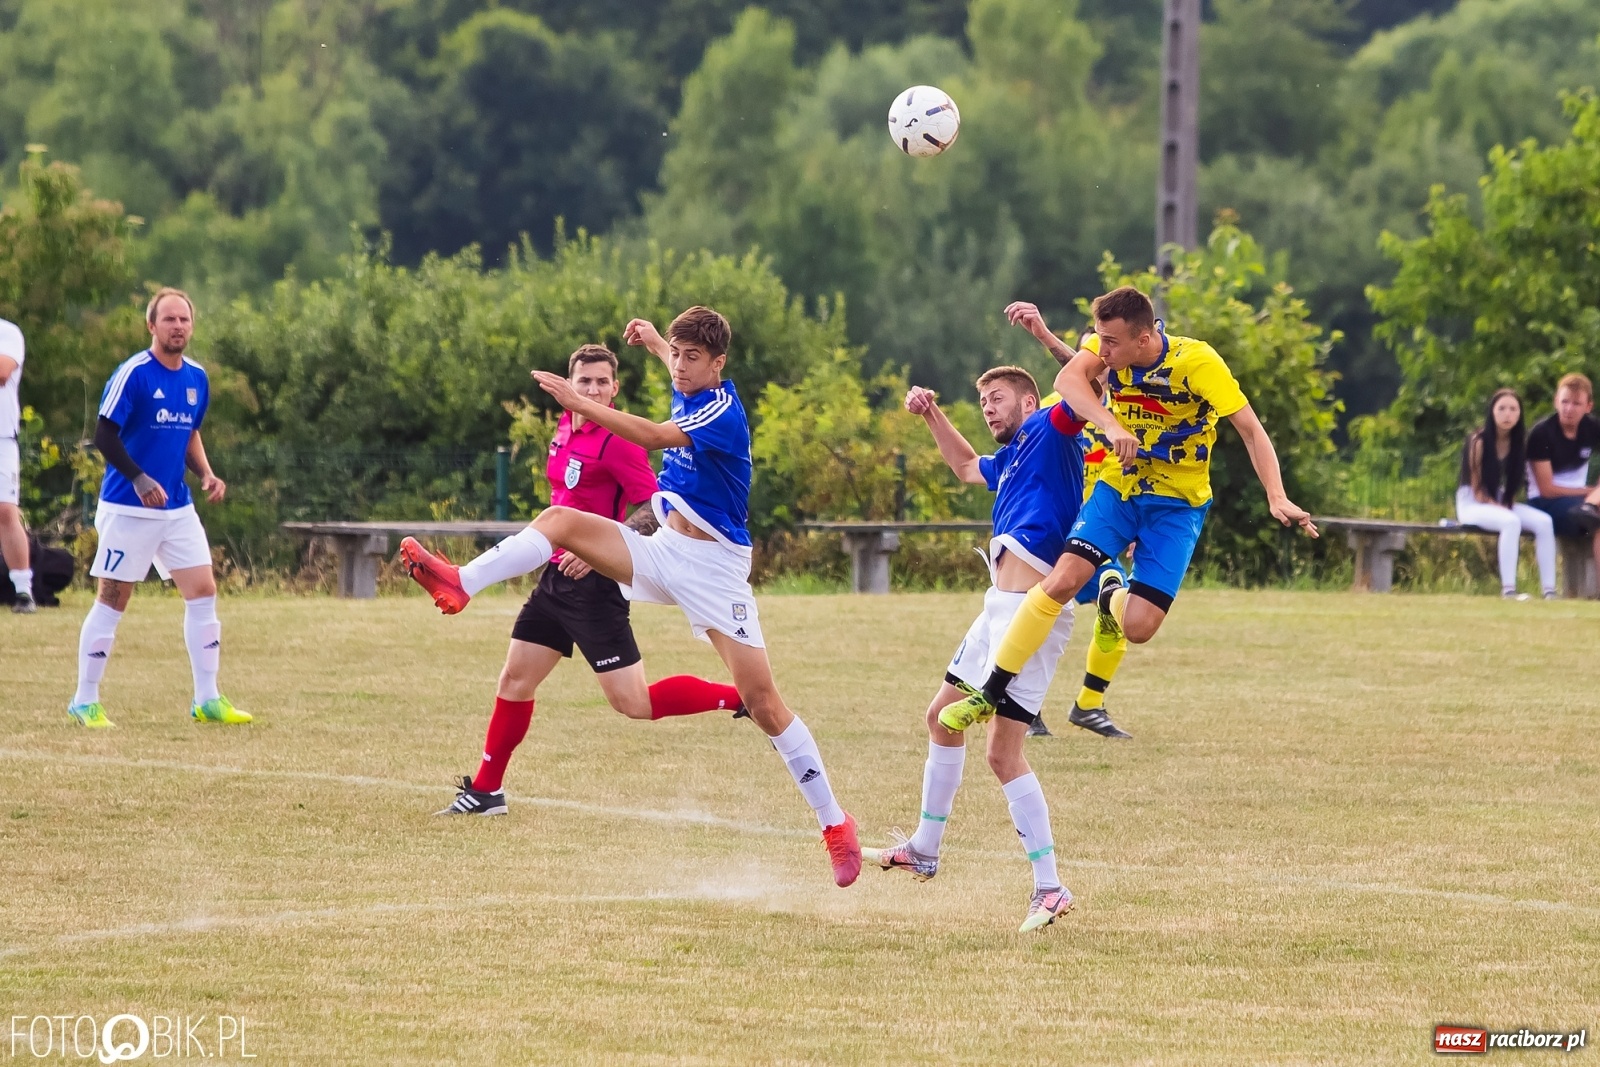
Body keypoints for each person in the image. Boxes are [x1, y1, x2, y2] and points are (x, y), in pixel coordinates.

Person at [399, 307, 862, 886]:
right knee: (559, 519)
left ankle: (835, 823)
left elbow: (653, 436)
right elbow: (673, 363)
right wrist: (650, 341)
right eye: (677, 354)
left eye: (694, 358)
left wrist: (583, 402)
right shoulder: (685, 375)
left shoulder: (720, 407)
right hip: (663, 547)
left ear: (718, 363)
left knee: (764, 702)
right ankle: (460, 583)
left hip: (714, 569)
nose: (681, 367)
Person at [941, 286, 1318, 730]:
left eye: (1111, 341)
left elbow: (1251, 430)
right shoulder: (1105, 350)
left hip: (1177, 506)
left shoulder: (1197, 363)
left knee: (1138, 627)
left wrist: (1276, 496)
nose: (1101, 348)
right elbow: (1069, 380)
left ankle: (1109, 608)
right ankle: (989, 693)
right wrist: (1110, 423)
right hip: (1117, 492)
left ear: (1144, 338)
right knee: (1059, 582)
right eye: (1098, 338)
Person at [435, 344, 748, 816]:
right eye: (585, 382)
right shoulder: (564, 431)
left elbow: (653, 504)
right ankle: (486, 791)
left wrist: (604, 547)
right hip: (556, 580)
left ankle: (741, 698)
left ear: (615, 388)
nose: (594, 389)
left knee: (633, 702)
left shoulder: (617, 439)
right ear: (571, 385)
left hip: (596, 584)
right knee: (515, 679)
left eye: (603, 382)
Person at [864, 366, 1091, 931]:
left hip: (1031, 614)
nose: (988, 408)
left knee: (1002, 754)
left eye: (997, 398)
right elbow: (967, 466)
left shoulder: (1051, 428)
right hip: (997, 607)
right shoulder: (1013, 457)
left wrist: (1049, 334)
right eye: (983, 401)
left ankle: (1050, 886)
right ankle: (925, 846)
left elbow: (1082, 384)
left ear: (1030, 400)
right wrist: (931, 415)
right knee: (941, 717)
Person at [67, 289, 249, 728]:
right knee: (113, 599)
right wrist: (139, 477)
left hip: (177, 508)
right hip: (129, 507)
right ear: (152, 325)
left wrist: (205, 473)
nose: (177, 326)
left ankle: (207, 699)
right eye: (168, 319)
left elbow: (189, 433)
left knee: (203, 592)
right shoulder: (134, 374)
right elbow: (105, 435)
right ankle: (84, 700)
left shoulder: (197, 378)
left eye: (184, 319)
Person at [1455, 389, 1556, 599]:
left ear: (1519, 413)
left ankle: (1550, 591)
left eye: (1513, 409)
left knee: (1545, 522)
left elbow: (1513, 484)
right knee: (1511, 522)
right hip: (1472, 501)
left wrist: (1503, 502)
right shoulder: (1478, 441)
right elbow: (1477, 489)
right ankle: (1509, 590)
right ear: (1492, 412)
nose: (1507, 414)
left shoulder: (1519, 442)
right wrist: (1497, 506)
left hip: (1498, 499)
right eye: (1501, 408)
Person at [1525, 372, 1600, 580]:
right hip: (1545, 504)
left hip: (1585, 502)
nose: (1569, 409)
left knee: (1594, 516)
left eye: (1576, 404)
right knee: (1595, 517)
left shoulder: (1592, 427)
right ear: (1555, 401)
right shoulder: (1541, 434)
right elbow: (1546, 490)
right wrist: (1591, 492)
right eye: (1564, 401)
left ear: (1588, 407)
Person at [0, 315, 34, 614]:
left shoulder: (7, 332)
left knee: (5, 511)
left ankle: (23, 590)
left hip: (1, 437)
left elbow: (2, 371)